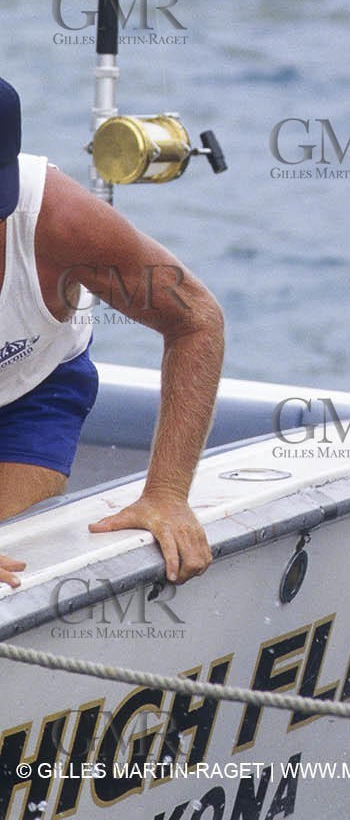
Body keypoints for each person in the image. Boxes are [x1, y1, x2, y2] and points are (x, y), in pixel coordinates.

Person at [0, 77, 224, 588]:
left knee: (13, 545)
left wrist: (167, 493)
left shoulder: (61, 221)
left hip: (31, 389)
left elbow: (196, 320)